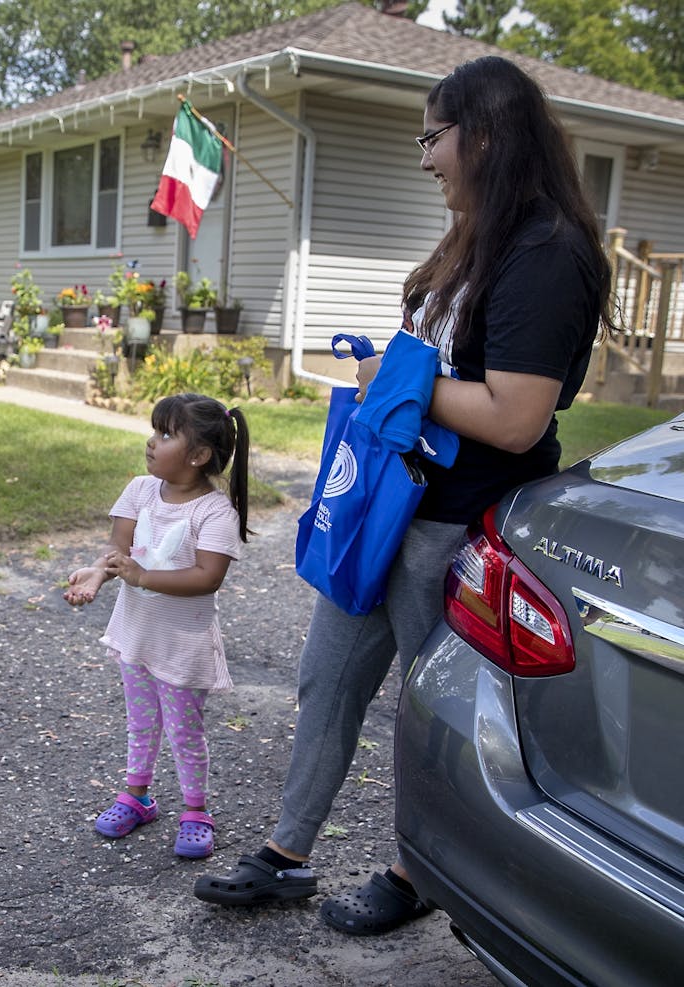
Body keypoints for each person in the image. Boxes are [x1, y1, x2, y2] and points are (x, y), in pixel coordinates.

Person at [192, 55, 616, 933]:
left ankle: (418, 869)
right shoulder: (478, 235)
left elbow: (516, 415)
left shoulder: (546, 252)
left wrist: (395, 381)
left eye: (433, 136)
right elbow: (444, 364)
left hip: (458, 529)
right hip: (386, 510)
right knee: (327, 681)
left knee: (439, 714)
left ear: (486, 134)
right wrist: (392, 378)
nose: (424, 159)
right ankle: (287, 851)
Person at [64, 394, 251, 859]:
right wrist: (98, 573)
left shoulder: (213, 513)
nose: (151, 443)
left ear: (198, 455)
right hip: (137, 633)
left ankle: (195, 810)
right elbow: (117, 551)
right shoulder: (139, 490)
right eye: (154, 431)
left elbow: (208, 577)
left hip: (182, 646)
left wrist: (142, 576)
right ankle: (137, 797)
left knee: (184, 731)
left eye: (165, 435)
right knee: (141, 723)